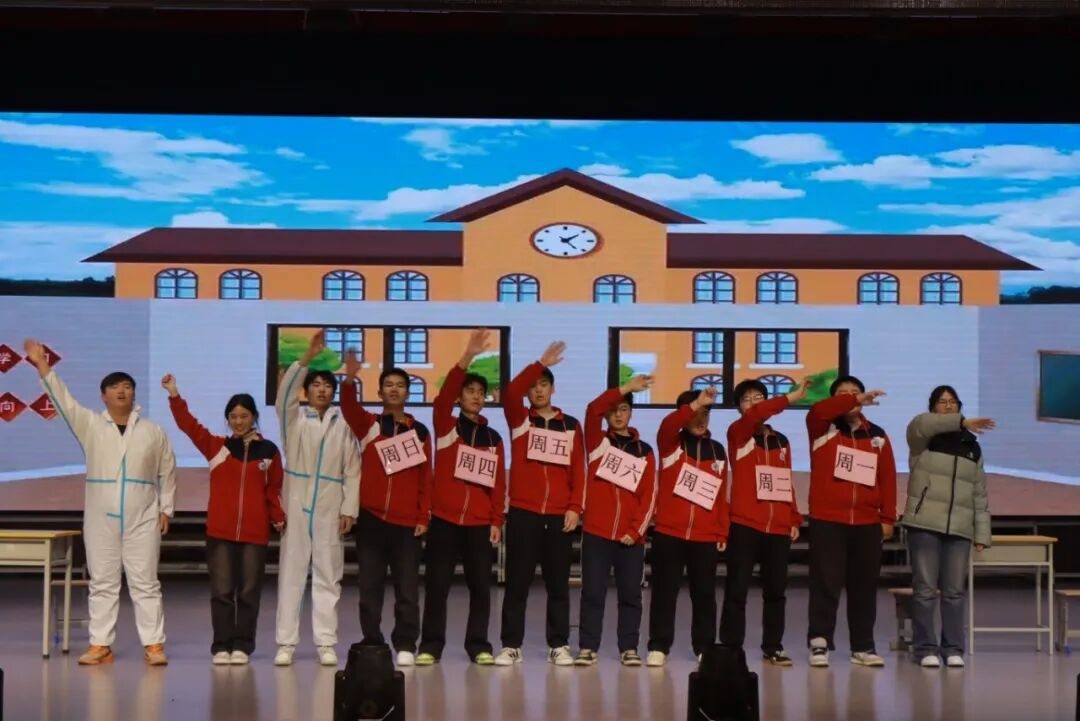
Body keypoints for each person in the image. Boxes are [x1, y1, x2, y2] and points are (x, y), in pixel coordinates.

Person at [26, 339, 176, 666]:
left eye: (127, 387)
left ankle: (153, 645)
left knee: (145, 582)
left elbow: (167, 469)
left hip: (143, 517)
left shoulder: (152, 431)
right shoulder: (91, 425)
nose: (122, 391)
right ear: (103, 396)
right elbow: (63, 401)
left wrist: (166, 508)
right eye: (114, 387)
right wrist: (42, 365)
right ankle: (100, 645)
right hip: (100, 518)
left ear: (134, 394)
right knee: (103, 582)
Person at [162, 374, 285, 665]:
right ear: (228, 420)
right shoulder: (217, 447)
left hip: (255, 533)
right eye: (233, 417)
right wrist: (174, 394)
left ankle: (243, 646)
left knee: (249, 592)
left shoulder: (269, 451)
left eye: (244, 416)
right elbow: (188, 425)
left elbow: (274, 489)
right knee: (222, 592)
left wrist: (278, 516)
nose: (238, 421)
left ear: (254, 417)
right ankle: (221, 646)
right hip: (220, 532)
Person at [416, 329, 507, 666]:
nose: (476, 397)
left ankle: (479, 645)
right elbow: (442, 398)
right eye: (470, 391)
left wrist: (496, 519)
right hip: (444, 520)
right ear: (459, 396)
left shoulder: (493, 438)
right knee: (437, 586)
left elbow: (498, 483)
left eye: (481, 393)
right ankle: (431, 646)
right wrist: (467, 356)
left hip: (479, 524)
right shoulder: (446, 427)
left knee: (481, 589)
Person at [495, 341, 586, 667]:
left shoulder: (571, 425)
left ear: (553, 389)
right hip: (524, 512)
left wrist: (574, 507)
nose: (537, 390)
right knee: (517, 583)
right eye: (533, 386)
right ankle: (511, 645)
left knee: (558, 584)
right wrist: (539, 363)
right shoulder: (521, 420)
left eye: (543, 384)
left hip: (559, 515)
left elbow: (579, 469)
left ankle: (558, 644)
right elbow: (510, 393)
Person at [339, 352, 433, 667]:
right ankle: (372, 639)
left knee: (407, 588)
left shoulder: (420, 432)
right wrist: (349, 378)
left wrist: (423, 515)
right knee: (370, 587)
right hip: (372, 519)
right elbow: (348, 407)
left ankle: (405, 642)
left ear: (408, 392)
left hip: (407, 524)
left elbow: (425, 477)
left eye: (400, 385)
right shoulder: (370, 424)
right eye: (388, 385)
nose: (394, 389)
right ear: (379, 392)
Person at [274, 331, 361, 667]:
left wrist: (349, 509)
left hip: (330, 504)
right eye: (316, 385)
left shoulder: (344, 425)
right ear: (306, 390)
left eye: (327, 386)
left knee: (329, 574)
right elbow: (283, 398)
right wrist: (307, 357)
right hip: (297, 502)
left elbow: (353, 469)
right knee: (291, 574)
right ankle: (286, 642)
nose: (322, 390)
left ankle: (326, 642)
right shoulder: (294, 421)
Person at [805, 375, 897, 668]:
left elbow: (887, 477)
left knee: (864, 586)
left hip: (867, 521)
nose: (851, 398)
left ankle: (863, 645)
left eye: (855, 392)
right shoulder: (821, 427)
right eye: (842, 394)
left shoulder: (877, 435)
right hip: (828, 519)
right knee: (826, 582)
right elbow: (818, 410)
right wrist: (853, 399)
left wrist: (887, 516)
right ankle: (819, 642)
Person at [719, 378, 811, 666]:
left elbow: (784, 480)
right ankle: (731, 647)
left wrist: (793, 517)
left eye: (758, 397)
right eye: (746, 399)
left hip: (778, 526)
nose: (753, 403)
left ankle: (773, 646)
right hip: (745, 523)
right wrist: (791, 398)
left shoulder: (781, 440)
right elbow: (757, 415)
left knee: (776, 592)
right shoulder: (738, 434)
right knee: (737, 590)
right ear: (738, 407)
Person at [903, 385, 994, 669]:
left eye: (953, 402)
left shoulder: (972, 446)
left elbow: (979, 492)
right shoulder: (922, 438)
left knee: (954, 592)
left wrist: (981, 532)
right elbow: (921, 424)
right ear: (933, 407)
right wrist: (962, 422)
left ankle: (953, 648)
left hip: (959, 528)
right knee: (925, 590)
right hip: (924, 523)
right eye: (942, 402)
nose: (948, 405)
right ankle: (925, 648)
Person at [574, 375, 658, 668]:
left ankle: (629, 647)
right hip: (597, 534)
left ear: (631, 413)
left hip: (630, 538)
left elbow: (649, 495)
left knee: (631, 595)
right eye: (613, 410)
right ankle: (588, 647)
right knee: (592, 593)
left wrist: (635, 531)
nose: (618, 415)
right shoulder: (597, 443)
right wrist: (625, 388)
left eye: (623, 409)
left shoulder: (644, 451)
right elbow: (591, 410)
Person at [647, 385, 730, 668]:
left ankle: (704, 646)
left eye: (706, 413)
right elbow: (668, 425)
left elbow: (720, 493)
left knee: (704, 594)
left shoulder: (717, 450)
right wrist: (694, 405)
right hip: (669, 532)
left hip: (705, 535)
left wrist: (721, 529)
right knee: (664, 592)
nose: (701, 419)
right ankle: (659, 645)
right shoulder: (670, 443)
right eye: (695, 413)